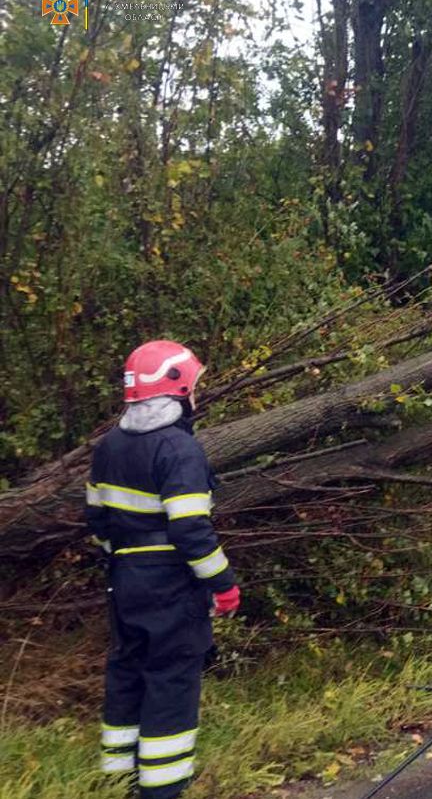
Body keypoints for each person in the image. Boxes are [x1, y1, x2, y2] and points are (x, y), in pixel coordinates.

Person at [86, 340, 240, 797]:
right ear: (176, 388)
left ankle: (118, 779)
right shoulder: (179, 450)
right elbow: (192, 531)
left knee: (127, 670)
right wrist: (223, 585)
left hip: (123, 578)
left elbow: (97, 520)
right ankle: (161, 788)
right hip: (170, 581)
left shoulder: (107, 447)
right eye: (194, 387)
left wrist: (125, 561)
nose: (196, 395)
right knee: (171, 678)